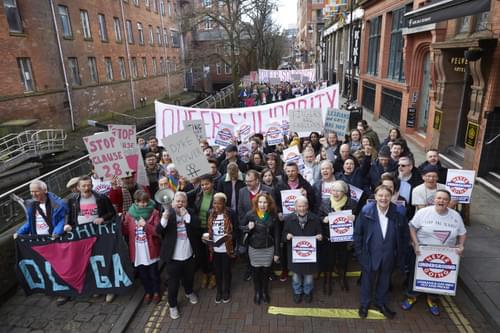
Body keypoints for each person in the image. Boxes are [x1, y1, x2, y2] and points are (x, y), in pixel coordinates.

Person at [401, 189, 466, 316]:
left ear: (448, 202)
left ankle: (432, 299)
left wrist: (461, 245)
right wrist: (415, 243)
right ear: (434, 200)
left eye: (445, 199)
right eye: (439, 198)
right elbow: (412, 227)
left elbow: (462, 233)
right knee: (415, 275)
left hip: (444, 254)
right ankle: (411, 297)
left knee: (438, 276)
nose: (441, 201)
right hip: (422, 251)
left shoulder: (455, 216)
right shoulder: (423, 212)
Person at [354, 185, 409, 319]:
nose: (383, 198)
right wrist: (360, 254)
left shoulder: (398, 213)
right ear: (375, 196)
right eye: (380, 195)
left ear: (391, 197)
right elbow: (358, 234)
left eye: (386, 196)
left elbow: (404, 235)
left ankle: (381, 303)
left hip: (390, 254)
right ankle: (364, 304)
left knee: (385, 280)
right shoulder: (366, 211)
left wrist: (400, 255)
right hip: (370, 253)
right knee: (367, 280)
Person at [14, 180, 69, 306]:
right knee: (45, 266)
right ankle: (53, 288)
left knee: (58, 267)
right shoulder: (32, 205)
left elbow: (63, 220)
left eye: (36, 191)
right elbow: (30, 222)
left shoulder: (58, 204)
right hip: (39, 240)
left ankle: (63, 292)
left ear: (44, 190)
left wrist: (56, 232)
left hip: (53, 240)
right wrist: (19, 232)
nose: (33, 194)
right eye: (31, 192)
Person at [157, 191, 201, 320]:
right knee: (173, 283)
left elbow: (197, 224)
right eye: (177, 201)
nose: (180, 203)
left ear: (186, 203)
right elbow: (158, 230)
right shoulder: (168, 215)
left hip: (188, 255)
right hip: (173, 258)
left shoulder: (190, 212)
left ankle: (189, 292)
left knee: (189, 277)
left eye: (183, 201)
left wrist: (186, 215)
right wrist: (164, 217)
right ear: (172, 203)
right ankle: (173, 305)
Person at [122, 190, 162, 304]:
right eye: (141, 202)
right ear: (136, 202)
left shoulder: (154, 213)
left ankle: (156, 292)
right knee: (143, 274)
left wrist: (146, 226)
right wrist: (121, 221)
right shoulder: (130, 214)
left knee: (154, 273)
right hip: (137, 250)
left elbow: (157, 232)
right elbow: (125, 231)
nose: (144, 204)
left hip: (150, 248)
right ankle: (148, 292)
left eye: (146, 201)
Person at [318, 181, 358, 294]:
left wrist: (355, 217)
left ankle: (342, 279)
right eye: (333, 190)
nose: (335, 193)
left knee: (343, 260)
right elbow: (318, 216)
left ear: (344, 192)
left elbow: (360, 218)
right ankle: (327, 280)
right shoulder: (325, 202)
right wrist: (323, 219)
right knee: (328, 260)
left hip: (344, 239)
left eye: (338, 191)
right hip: (328, 238)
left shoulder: (352, 203)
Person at [241, 193, 280, 304]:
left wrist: (277, 252)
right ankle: (257, 291)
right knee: (256, 272)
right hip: (254, 248)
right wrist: (247, 227)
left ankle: (264, 291)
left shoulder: (273, 215)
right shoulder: (250, 214)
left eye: (265, 202)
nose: (262, 205)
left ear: (269, 204)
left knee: (266, 271)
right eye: (260, 202)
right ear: (256, 203)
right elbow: (240, 226)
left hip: (268, 248)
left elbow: (277, 235)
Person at [282, 196, 323, 303]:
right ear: (295, 207)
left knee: (309, 278)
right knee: (296, 277)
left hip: (310, 256)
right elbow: (283, 235)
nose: (302, 208)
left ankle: (307, 292)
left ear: (308, 206)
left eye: (304, 206)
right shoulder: (289, 219)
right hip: (295, 255)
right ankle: (297, 292)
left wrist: (320, 236)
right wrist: (287, 236)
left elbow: (320, 234)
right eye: (299, 206)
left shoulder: (315, 219)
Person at [237, 170, 275, 281]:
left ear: (257, 180)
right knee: (250, 252)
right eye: (246, 181)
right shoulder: (242, 191)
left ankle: (268, 271)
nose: (247, 183)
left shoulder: (269, 190)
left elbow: (272, 208)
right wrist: (246, 224)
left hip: (265, 228)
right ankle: (250, 270)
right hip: (250, 228)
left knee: (267, 251)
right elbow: (240, 209)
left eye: (250, 181)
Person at [204, 193, 237, 304]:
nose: (216, 206)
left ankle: (226, 290)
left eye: (219, 203)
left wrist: (232, 236)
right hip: (214, 249)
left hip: (226, 248)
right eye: (214, 203)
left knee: (226, 271)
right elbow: (207, 229)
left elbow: (236, 229)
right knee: (217, 272)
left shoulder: (230, 213)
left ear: (224, 204)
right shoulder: (209, 213)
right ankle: (219, 291)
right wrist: (206, 238)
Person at [192, 174, 216, 289]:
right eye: (202, 185)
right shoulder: (198, 194)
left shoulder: (217, 196)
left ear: (212, 183)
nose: (204, 187)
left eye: (207, 184)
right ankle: (205, 273)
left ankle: (214, 275)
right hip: (198, 229)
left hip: (210, 229)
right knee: (201, 253)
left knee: (211, 253)